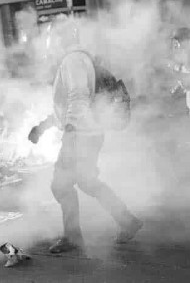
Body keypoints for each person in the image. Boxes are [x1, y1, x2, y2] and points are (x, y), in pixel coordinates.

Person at [28, 18, 142, 254]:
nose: (52, 43)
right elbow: (67, 104)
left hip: (80, 135)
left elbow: (78, 97)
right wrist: (43, 127)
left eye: (55, 37)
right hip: (87, 133)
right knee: (88, 182)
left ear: (64, 39)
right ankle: (127, 221)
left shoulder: (73, 60)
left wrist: (70, 131)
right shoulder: (78, 59)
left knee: (61, 186)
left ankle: (73, 237)